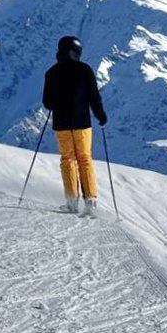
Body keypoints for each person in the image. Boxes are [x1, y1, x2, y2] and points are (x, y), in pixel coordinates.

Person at [42, 35, 107, 216]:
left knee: (68, 159)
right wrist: (101, 115)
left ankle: (71, 201)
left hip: (61, 123)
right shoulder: (84, 70)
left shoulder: (51, 73)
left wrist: (58, 102)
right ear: (76, 52)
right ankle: (90, 202)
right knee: (84, 159)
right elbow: (94, 97)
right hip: (82, 123)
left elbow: (47, 102)